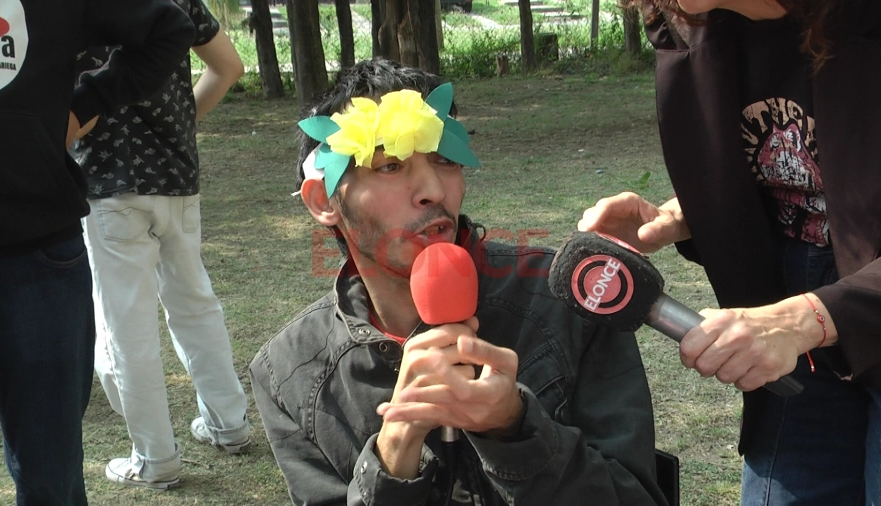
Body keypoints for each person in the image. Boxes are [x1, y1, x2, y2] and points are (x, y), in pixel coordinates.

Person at [249, 58, 668, 506]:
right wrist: (390, 460)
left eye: (445, 159)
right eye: (390, 166)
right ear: (324, 201)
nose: (433, 188)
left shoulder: (569, 299)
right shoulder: (289, 373)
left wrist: (515, 429)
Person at [578, 1, 881, 504]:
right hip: (797, 340)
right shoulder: (690, 25)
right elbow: (803, 175)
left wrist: (803, 319)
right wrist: (682, 216)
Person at [0, 0, 194, 503]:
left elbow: (169, 28)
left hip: (36, 258)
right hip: (40, 259)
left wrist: (85, 104)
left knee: (50, 474)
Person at [70, 0, 250, 491]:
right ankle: (229, 423)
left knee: (125, 328)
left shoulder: (66, 10)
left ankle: (154, 457)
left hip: (110, 185)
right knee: (195, 304)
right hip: (177, 178)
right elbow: (229, 66)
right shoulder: (176, 2)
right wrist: (182, 126)